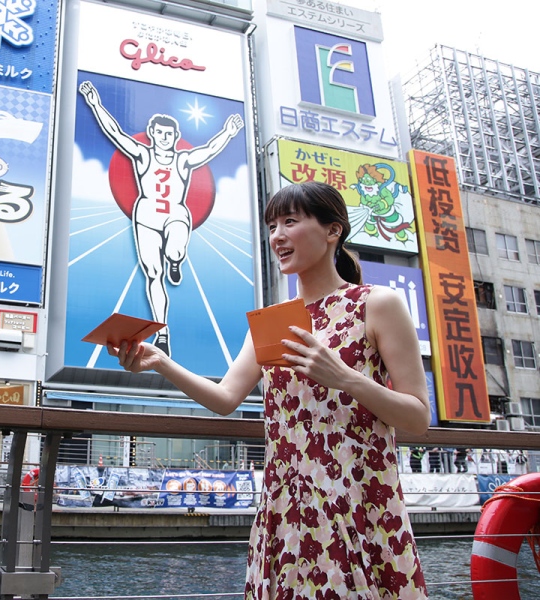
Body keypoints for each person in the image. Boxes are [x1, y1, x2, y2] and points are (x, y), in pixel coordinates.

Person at [108, 181, 430, 598]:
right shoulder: (272, 322)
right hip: (287, 507)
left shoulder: (377, 304)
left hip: (359, 502)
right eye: (272, 225)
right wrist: (161, 363)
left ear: (333, 231)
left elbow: (418, 416)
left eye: (290, 222)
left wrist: (345, 378)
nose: (277, 236)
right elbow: (225, 399)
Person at [79, 81, 244, 356]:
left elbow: (209, 150)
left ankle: (176, 260)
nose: (165, 137)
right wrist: (95, 104)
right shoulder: (142, 155)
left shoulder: (183, 160)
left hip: (176, 214)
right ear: (152, 134)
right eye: (160, 132)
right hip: (145, 216)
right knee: (154, 275)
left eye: (170, 133)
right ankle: (163, 333)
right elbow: (115, 133)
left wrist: (227, 133)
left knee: (175, 250)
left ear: (175, 136)